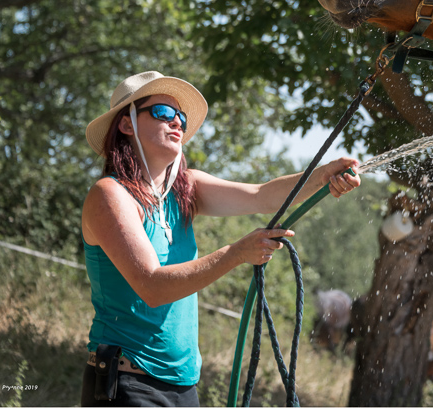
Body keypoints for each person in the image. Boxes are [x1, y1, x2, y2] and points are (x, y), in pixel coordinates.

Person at [79, 71, 361, 406]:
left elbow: (261, 196)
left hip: (183, 384)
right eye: (162, 112)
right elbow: (152, 287)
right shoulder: (109, 195)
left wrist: (322, 176)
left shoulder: (184, 188)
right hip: (126, 382)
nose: (177, 122)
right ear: (126, 124)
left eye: (180, 116)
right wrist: (236, 253)